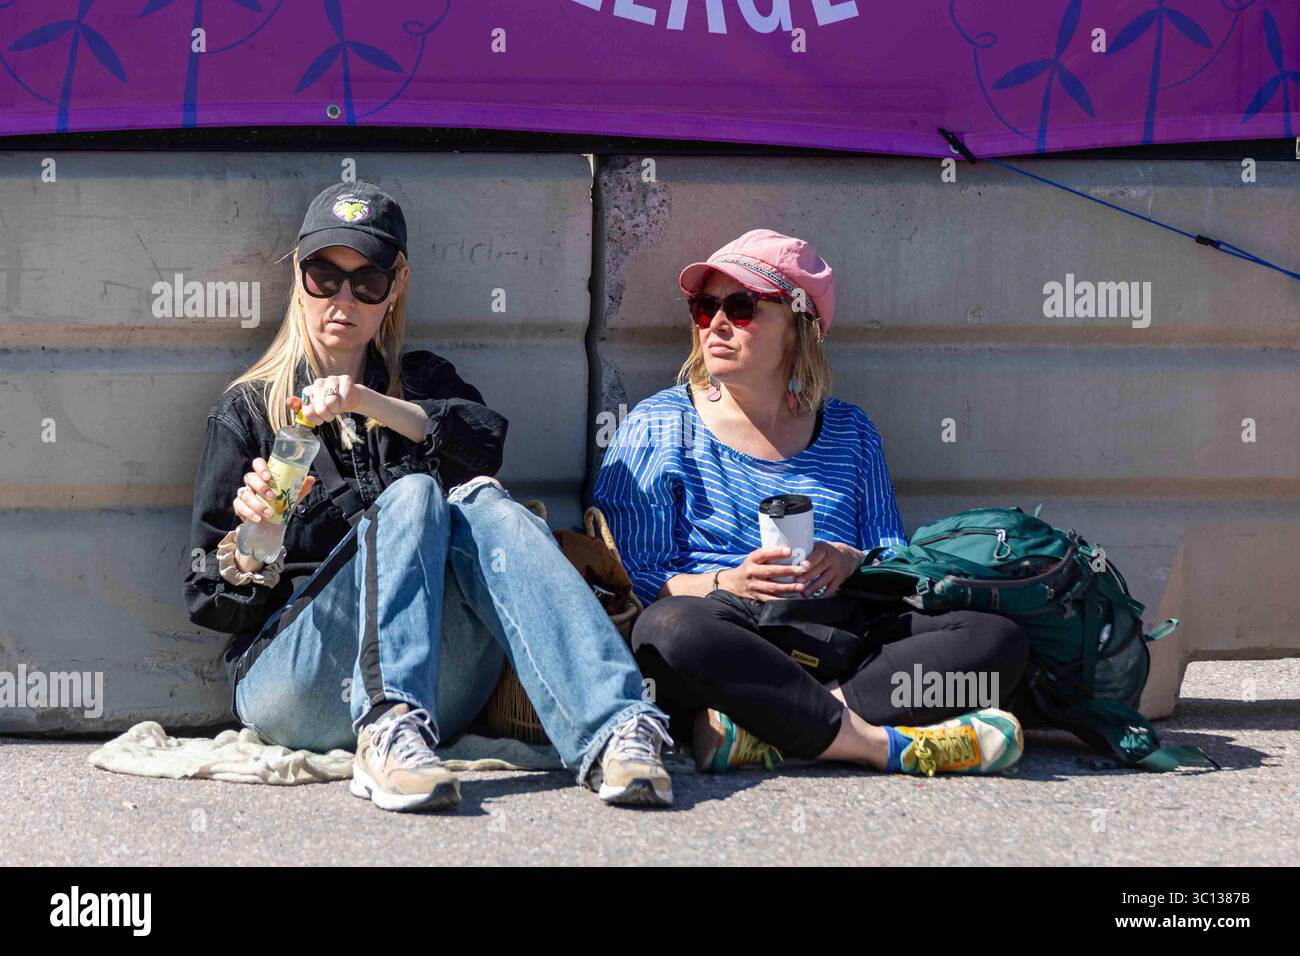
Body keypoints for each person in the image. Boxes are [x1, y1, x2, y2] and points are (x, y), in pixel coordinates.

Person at [183, 180, 673, 812]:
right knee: (415, 492)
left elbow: (484, 443)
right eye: (324, 276)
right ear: (299, 278)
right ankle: (383, 733)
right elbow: (206, 603)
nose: (343, 298)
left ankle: (615, 729)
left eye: (368, 282)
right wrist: (255, 548)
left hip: (440, 685)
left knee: (486, 503)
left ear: (397, 285)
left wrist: (364, 401)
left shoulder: (424, 382)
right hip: (295, 682)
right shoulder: (248, 411)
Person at [593, 228, 1029, 777]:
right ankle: (880, 744)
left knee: (996, 641)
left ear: (798, 329)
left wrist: (850, 560)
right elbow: (631, 577)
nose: (718, 324)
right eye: (706, 307)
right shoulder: (660, 426)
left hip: (836, 631)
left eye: (743, 306)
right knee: (668, 632)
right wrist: (729, 583)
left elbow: (893, 559)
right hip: (727, 632)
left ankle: (771, 730)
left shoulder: (849, 430)